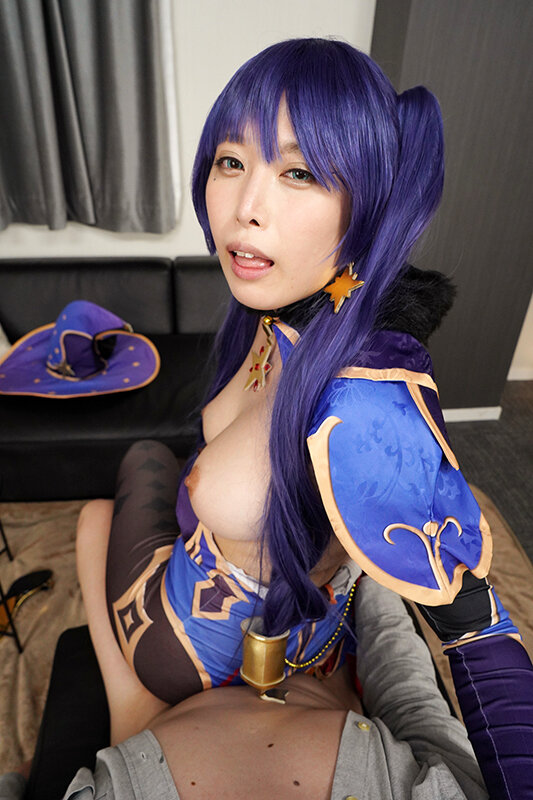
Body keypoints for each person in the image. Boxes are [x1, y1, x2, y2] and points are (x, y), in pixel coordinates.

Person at [75, 38, 533, 798]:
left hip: (179, 651)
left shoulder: (367, 405)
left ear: (370, 203)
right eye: (230, 161)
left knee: (99, 512)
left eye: (299, 172)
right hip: (285, 638)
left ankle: (133, 706)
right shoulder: (285, 307)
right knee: (146, 462)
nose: (244, 209)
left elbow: (479, 634)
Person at [0, 577, 489, 800]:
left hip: (148, 705)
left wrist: (23, 779)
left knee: (101, 513)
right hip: (318, 671)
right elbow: (413, 701)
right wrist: (376, 574)